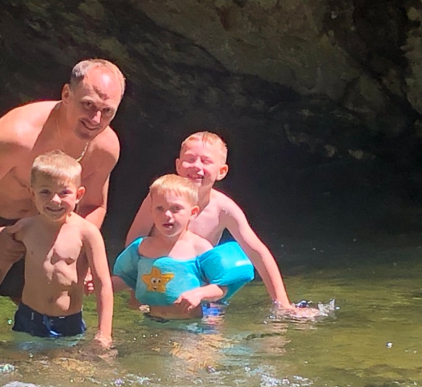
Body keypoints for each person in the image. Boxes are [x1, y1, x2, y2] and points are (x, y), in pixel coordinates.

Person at [0, 59, 125, 322]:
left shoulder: (106, 147)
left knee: (41, 314)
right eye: (87, 105)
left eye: (107, 111)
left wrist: (81, 248)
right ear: (66, 94)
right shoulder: (18, 136)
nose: (95, 119)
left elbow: (94, 205)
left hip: (45, 229)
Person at [124, 131, 320, 318]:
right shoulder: (157, 199)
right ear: (178, 165)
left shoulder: (223, 208)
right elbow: (134, 243)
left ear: (221, 171)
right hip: (157, 286)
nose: (196, 166)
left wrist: (282, 303)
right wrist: (134, 288)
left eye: (206, 161)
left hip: (200, 292)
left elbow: (257, 252)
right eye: (190, 159)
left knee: (210, 340)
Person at [0, 151, 113, 347]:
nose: (55, 200)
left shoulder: (87, 234)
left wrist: (104, 332)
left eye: (64, 192)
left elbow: (103, 283)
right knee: (22, 369)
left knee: (63, 370)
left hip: (67, 322)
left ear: (79, 194)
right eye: (45, 192)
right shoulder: (25, 228)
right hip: (28, 318)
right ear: (32, 193)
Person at [113, 174, 253, 320]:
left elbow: (221, 287)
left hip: (191, 324)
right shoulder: (142, 247)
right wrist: (99, 284)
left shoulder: (199, 248)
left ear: (193, 213)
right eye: (159, 208)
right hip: (152, 319)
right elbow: (126, 279)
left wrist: (199, 294)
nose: (167, 215)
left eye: (175, 208)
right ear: (151, 212)